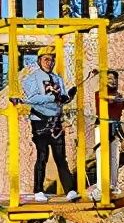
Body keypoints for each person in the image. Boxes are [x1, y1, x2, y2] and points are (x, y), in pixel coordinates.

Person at [10, 45, 77, 202]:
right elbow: (32, 99)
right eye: (46, 60)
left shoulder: (58, 79)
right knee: (42, 156)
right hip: (40, 121)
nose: (50, 63)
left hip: (56, 121)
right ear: (39, 61)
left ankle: (70, 190)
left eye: (52, 60)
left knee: (61, 156)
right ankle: (38, 190)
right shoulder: (31, 79)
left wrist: (67, 97)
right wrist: (53, 98)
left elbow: (62, 99)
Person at [87, 69, 124, 201]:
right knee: (102, 158)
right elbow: (111, 100)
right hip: (102, 127)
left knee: (114, 157)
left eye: (114, 79)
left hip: (115, 128)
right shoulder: (100, 94)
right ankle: (101, 188)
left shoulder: (118, 95)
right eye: (109, 79)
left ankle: (113, 185)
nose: (113, 81)